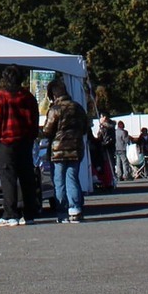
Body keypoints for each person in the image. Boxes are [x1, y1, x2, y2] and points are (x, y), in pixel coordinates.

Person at [0, 69, 41, 227]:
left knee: (8, 179)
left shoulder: (0, 97)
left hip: (6, 143)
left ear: (5, 78)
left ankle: (10, 214)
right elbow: (34, 120)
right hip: (25, 142)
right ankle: (30, 214)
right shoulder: (28, 97)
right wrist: (31, 137)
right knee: (27, 178)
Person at [43, 81, 89, 221]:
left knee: (59, 181)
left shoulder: (55, 109)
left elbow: (47, 130)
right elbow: (86, 128)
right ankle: (75, 209)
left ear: (53, 95)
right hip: (75, 148)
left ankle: (62, 212)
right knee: (72, 178)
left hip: (58, 150)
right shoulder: (78, 107)